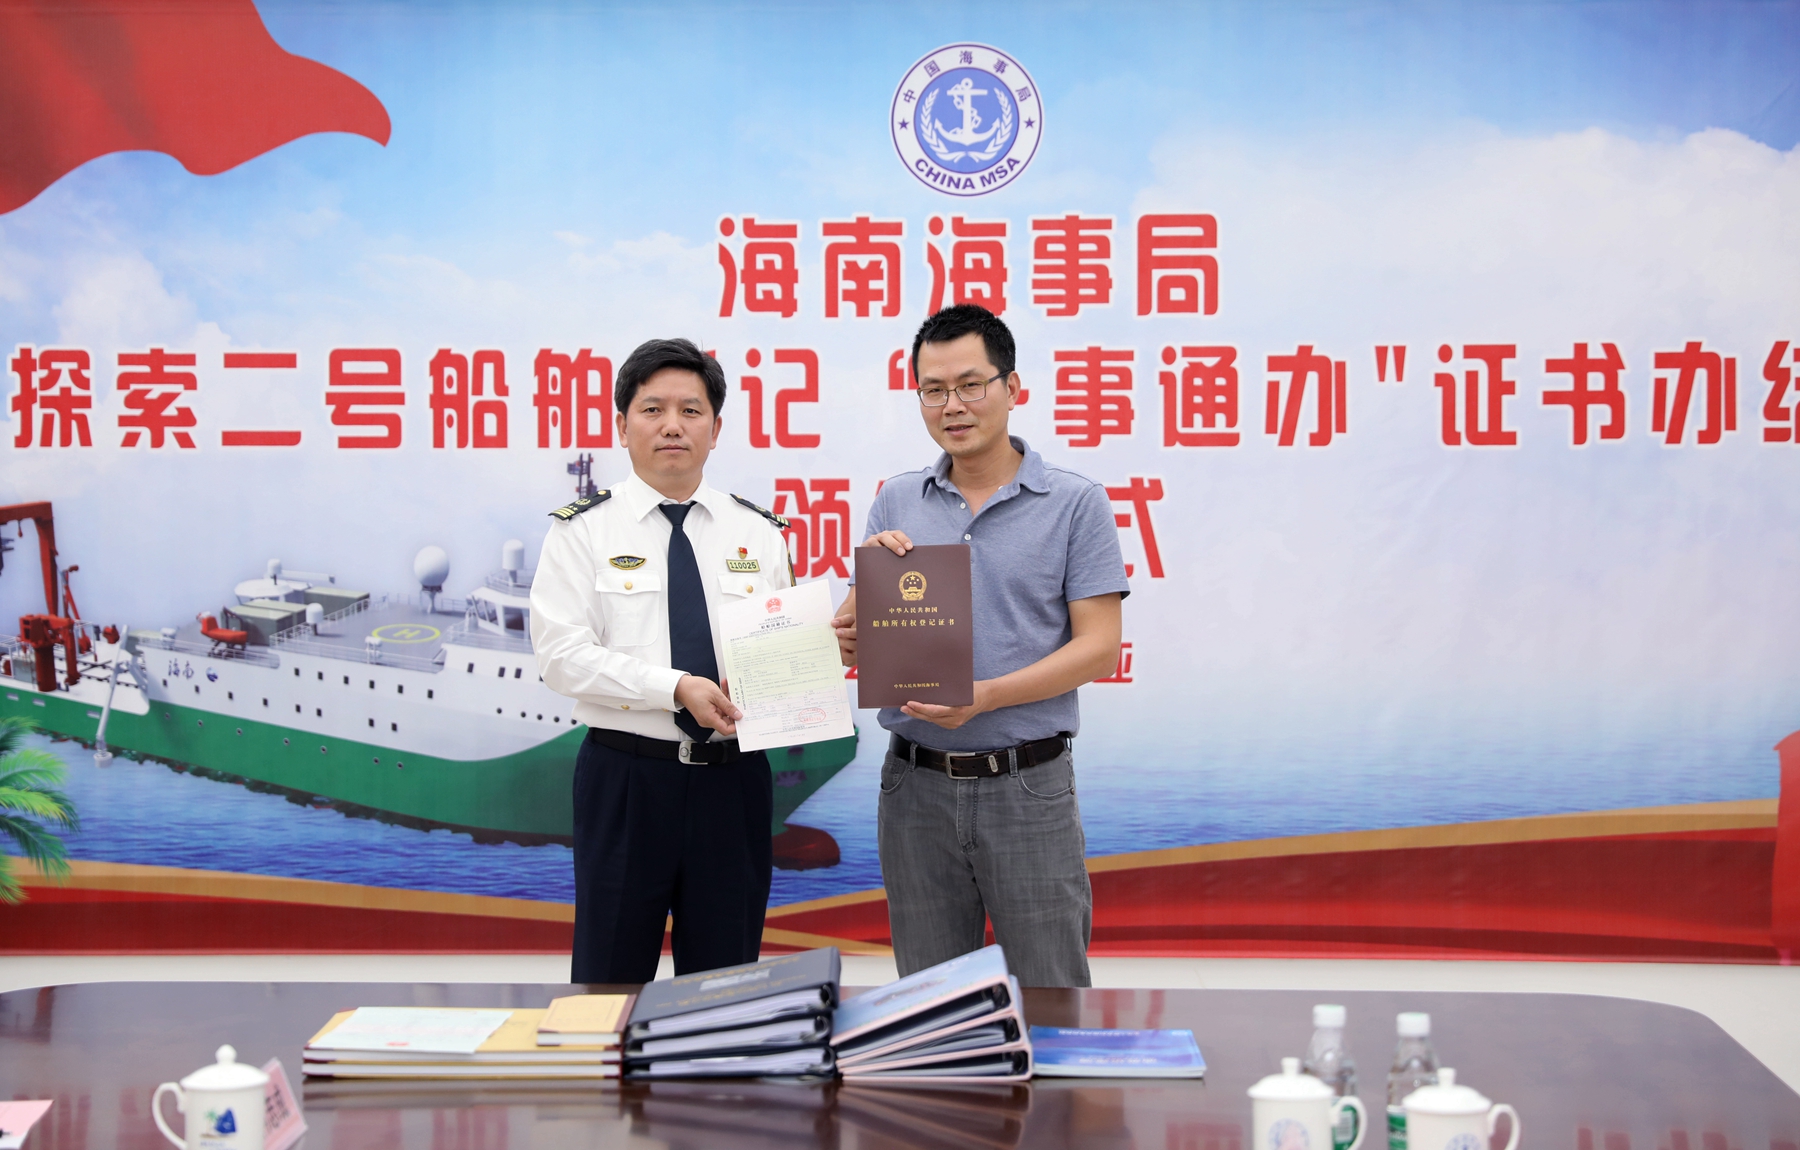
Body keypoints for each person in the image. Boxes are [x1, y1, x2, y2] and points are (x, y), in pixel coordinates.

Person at [832, 304, 1128, 987]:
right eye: (933, 390)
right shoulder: (897, 500)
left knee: (1052, 992)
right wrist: (852, 620)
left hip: (1027, 783)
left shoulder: (1075, 502)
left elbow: (1099, 649)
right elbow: (852, 646)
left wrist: (987, 696)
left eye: (971, 385)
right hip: (913, 787)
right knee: (929, 1001)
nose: (952, 406)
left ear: (1012, 387)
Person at [531, 337, 793, 983]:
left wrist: (821, 648)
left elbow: (779, 652)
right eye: (653, 409)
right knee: (609, 985)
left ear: (716, 429)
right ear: (623, 427)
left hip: (734, 782)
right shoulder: (581, 530)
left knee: (724, 989)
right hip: (627, 779)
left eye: (691, 410)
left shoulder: (759, 532)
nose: (673, 425)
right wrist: (674, 688)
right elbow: (562, 656)